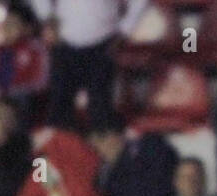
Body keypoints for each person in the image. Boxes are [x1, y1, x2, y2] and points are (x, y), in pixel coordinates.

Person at [30, 0, 147, 130]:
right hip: (63, 42)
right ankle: (60, 148)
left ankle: (102, 147)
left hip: (104, 43)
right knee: (59, 108)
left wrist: (125, 30)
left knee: (101, 110)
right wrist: (47, 18)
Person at [90, 122, 178, 196]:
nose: (100, 151)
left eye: (101, 142)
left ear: (114, 136)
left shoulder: (150, 148)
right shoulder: (104, 178)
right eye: (95, 147)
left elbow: (170, 182)